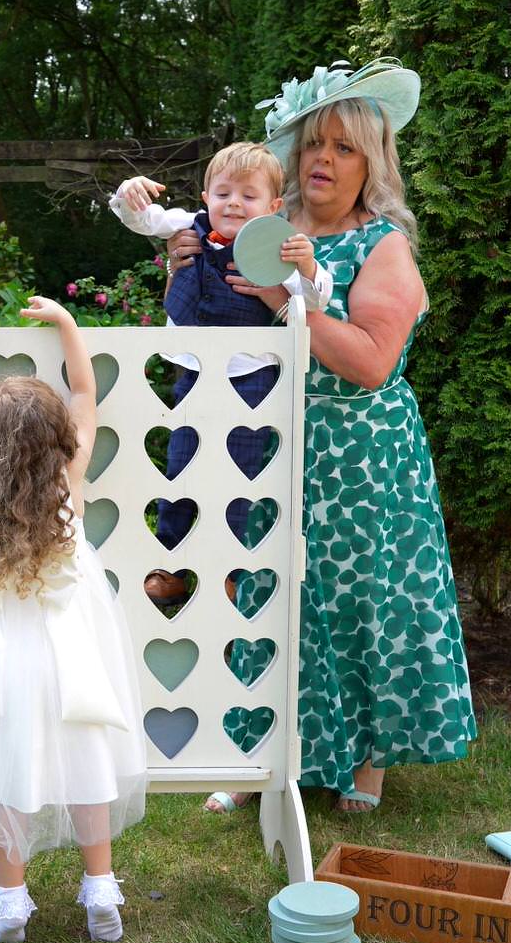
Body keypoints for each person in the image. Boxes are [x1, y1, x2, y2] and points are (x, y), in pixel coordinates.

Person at [174, 59, 477, 815]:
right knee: (266, 594)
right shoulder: (263, 229)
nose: (323, 160)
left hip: (362, 453)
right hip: (271, 444)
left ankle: (365, 765)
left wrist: (287, 303)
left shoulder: (383, 248)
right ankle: (252, 753)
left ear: (370, 164)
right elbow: (206, 329)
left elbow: (373, 362)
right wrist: (186, 270)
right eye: (315, 143)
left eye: (344, 148)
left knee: (359, 601)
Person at [0, 295, 149, 943]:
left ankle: (12, 897)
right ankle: (100, 885)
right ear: (59, 445)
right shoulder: (67, 481)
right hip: (70, 654)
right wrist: (69, 326)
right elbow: (86, 396)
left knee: (6, 771)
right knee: (88, 762)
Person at [106, 142, 332, 603]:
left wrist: (307, 266)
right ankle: (171, 564)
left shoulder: (277, 246)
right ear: (206, 196)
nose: (233, 203)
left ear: (272, 207)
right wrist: (130, 192)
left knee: (238, 475)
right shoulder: (190, 226)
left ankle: (225, 569)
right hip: (195, 369)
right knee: (181, 466)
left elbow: (313, 299)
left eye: (248, 196)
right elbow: (142, 220)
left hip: (250, 378)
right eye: (223, 192)